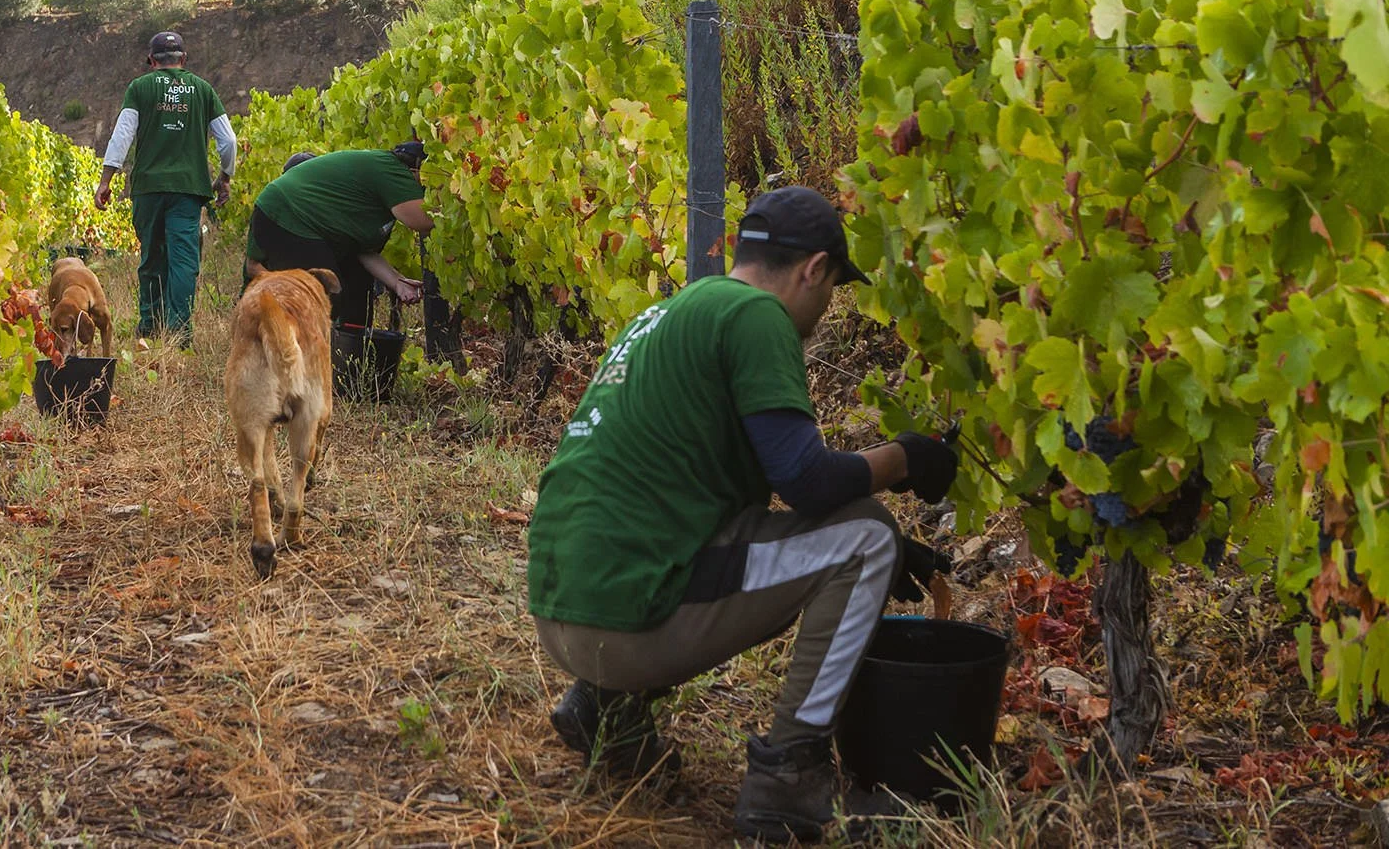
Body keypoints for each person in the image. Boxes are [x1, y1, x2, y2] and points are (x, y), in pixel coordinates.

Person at [525, 186, 958, 842]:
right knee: (868, 536)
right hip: (630, 616)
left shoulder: (667, 313)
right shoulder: (757, 316)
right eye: (833, 285)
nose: (826, 306)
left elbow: (731, 494)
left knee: (849, 534)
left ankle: (605, 709)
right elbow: (806, 479)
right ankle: (789, 775)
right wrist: (905, 459)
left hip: (564, 610)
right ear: (813, 268)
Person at [95, 31, 236, 346]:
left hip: (148, 187)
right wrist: (225, 176)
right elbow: (229, 141)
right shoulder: (203, 89)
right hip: (188, 190)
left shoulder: (140, 87)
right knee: (184, 260)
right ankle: (180, 334)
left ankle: (148, 326)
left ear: (151, 60)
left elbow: (122, 136)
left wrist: (107, 179)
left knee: (151, 256)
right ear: (183, 60)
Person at [244, 142, 432, 326]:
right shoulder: (394, 171)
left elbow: (362, 250)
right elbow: (420, 221)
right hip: (286, 216)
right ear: (416, 171)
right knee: (327, 292)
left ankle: (346, 351)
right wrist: (457, 207)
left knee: (354, 286)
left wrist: (397, 282)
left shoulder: (376, 199)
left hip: (306, 225)